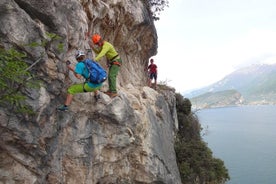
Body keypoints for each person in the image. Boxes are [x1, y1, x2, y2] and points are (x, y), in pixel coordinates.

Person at [89, 34, 122, 98]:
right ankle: (111, 91)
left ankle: (114, 92)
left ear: (100, 41)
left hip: (116, 60)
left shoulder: (106, 45)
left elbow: (102, 53)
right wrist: (92, 47)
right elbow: (98, 52)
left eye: (97, 43)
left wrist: (94, 60)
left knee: (112, 76)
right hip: (113, 61)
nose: (97, 45)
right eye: (96, 44)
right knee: (110, 76)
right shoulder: (103, 45)